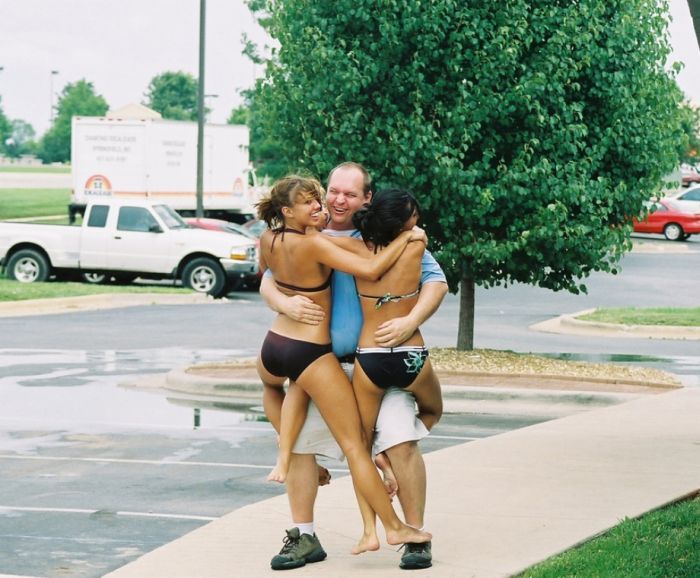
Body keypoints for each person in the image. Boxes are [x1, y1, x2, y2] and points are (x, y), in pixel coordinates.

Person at [260, 162, 447, 571]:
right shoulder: (309, 234)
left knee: (400, 442)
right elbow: (269, 274)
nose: (338, 199)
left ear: (366, 199)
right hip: (321, 365)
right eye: (333, 191)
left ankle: (414, 535)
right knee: (299, 448)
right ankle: (303, 535)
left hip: (375, 364)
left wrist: (410, 321)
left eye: (349, 193)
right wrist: (281, 301)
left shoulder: (385, 232)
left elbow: (436, 280)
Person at [349, 188, 443, 555]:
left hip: (369, 356)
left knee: (360, 443)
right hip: (410, 355)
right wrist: (411, 234)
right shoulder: (417, 244)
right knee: (434, 410)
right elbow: (420, 250)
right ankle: (412, 530)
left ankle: (369, 528)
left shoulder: (354, 250)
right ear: (404, 225)